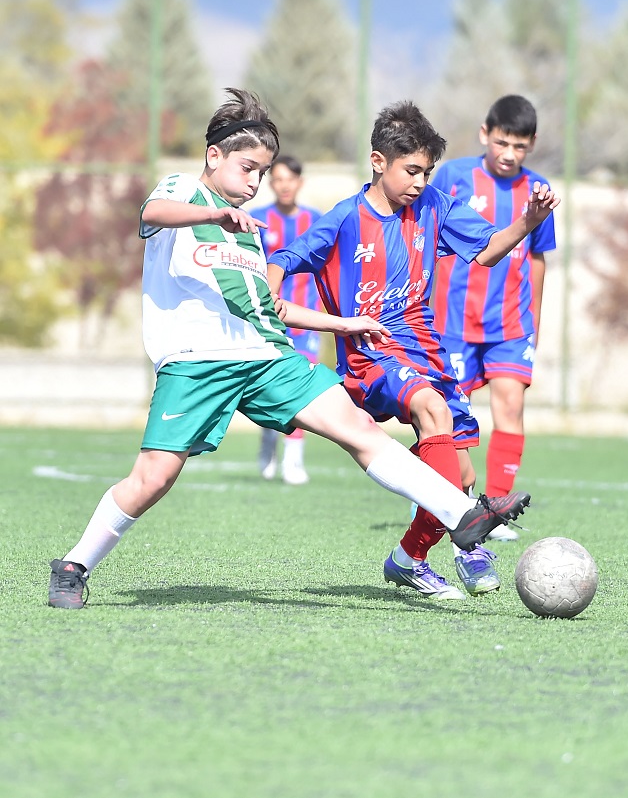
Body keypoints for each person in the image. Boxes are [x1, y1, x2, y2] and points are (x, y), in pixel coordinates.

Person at [48, 88, 532, 610]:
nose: (255, 181)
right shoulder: (187, 193)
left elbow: (271, 309)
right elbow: (154, 210)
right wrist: (212, 216)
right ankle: (74, 564)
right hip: (197, 364)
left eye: (263, 170)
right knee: (153, 478)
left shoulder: (245, 231)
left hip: (265, 358)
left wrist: (344, 323)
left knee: (359, 431)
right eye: (247, 167)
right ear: (215, 156)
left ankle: (462, 518)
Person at [267, 99, 559, 599]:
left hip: (428, 349)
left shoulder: (434, 206)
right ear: (378, 162)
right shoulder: (344, 219)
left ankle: (408, 558)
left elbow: (487, 251)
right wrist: (271, 295)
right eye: (411, 171)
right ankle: (469, 545)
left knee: (459, 470)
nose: (421, 182)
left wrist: (528, 222)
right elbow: (285, 258)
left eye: (427, 171)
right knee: (430, 410)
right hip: (372, 353)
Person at [430, 95, 556, 546]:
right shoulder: (452, 177)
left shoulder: (538, 190)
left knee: (510, 405)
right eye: (502, 142)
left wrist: (535, 321)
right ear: (485, 134)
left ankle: (496, 508)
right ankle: (438, 492)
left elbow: (538, 260)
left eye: (520, 147)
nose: (509, 154)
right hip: (453, 322)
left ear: (532, 145)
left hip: (510, 324)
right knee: (445, 415)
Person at [250, 155, 322, 485]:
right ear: (271, 183)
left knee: (300, 391)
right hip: (269, 318)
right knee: (269, 388)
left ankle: (293, 461)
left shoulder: (316, 220)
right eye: (277, 179)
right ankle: (268, 439)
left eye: (289, 179)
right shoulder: (257, 220)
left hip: (306, 320)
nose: (284, 185)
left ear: (299, 182)